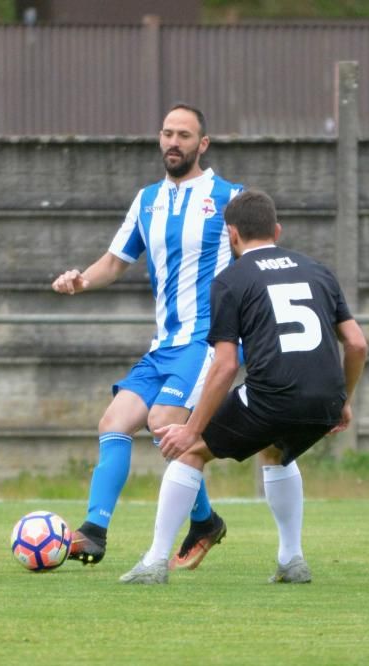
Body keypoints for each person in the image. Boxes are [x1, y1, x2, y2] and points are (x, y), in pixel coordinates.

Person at [118, 190, 368, 585]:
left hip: (273, 394)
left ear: (231, 235)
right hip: (326, 396)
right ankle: (291, 559)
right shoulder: (318, 270)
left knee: (190, 453)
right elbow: (356, 344)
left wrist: (192, 429)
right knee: (275, 450)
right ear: (277, 230)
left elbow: (225, 365)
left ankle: (154, 563)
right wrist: (344, 401)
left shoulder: (230, 281)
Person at [52, 104, 241, 569]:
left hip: (203, 342)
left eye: (183, 135)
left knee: (163, 424)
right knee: (113, 423)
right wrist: (82, 279)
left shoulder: (229, 198)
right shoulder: (147, 200)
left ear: (203, 144)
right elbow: (115, 262)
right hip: (164, 346)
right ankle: (95, 532)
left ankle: (202, 523)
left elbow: (257, 259)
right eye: (166, 133)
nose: (173, 142)